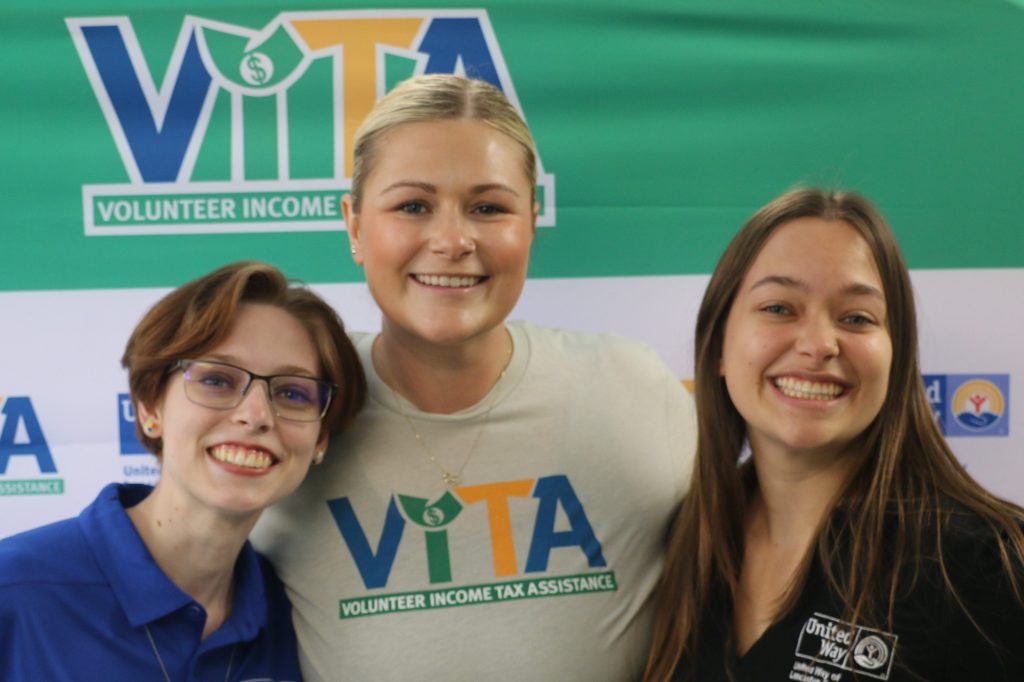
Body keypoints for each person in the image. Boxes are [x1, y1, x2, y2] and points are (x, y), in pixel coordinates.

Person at [252, 74, 697, 681]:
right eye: (413, 206)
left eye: (488, 208)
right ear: (355, 226)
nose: (452, 241)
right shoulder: (289, 411)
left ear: (531, 222)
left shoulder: (633, 389)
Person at [643, 188, 1024, 681]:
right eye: (779, 308)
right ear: (718, 345)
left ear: (897, 356)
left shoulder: (985, 563)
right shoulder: (685, 539)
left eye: (857, 318)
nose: (819, 345)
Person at [0, 261, 366, 681]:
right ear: (149, 406)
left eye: (293, 393)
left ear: (320, 439)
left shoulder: (295, 616)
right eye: (217, 380)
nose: (256, 415)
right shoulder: (13, 591)